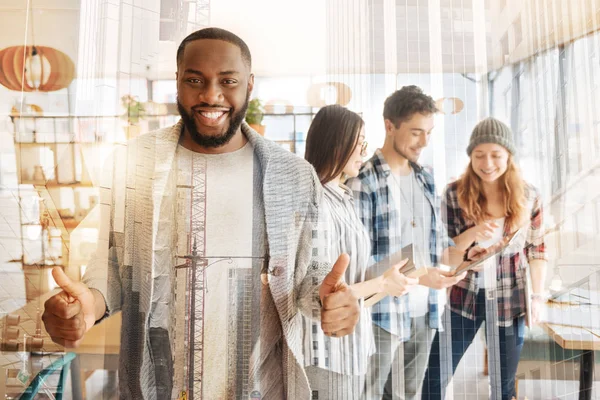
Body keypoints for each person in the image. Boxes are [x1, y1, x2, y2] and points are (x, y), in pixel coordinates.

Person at [41, 28, 360, 399]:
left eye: (228, 81)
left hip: (261, 387)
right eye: (195, 80)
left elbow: (311, 276)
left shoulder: (293, 175)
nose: (211, 95)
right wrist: (87, 306)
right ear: (177, 82)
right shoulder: (133, 163)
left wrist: (331, 302)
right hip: (157, 387)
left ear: (249, 85)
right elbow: (113, 266)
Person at [347, 86, 468, 399]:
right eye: (416, 132)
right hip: (381, 314)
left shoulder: (425, 177)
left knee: (406, 394)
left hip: (423, 311)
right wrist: (420, 274)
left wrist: (461, 257)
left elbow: (437, 238)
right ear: (390, 126)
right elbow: (356, 262)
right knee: (369, 394)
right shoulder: (363, 181)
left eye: (429, 132)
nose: (424, 142)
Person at [421, 117, 547, 400]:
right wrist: (473, 234)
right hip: (463, 298)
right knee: (434, 380)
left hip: (510, 300)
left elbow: (537, 249)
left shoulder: (529, 196)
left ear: (509, 156)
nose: (487, 163)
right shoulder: (454, 194)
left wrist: (537, 296)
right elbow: (445, 254)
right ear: (470, 156)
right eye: (479, 155)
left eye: (495, 155)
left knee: (502, 388)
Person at [303, 105, 419, 399]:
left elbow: (349, 275)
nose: (364, 152)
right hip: (327, 354)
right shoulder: (316, 204)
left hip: (352, 348)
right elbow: (319, 294)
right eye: (360, 142)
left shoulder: (343, 198)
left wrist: (388, 277)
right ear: (337, 142)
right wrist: (382, 283)